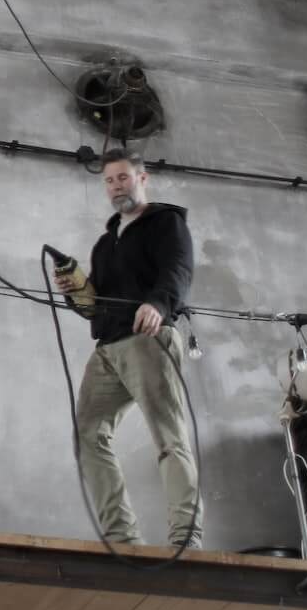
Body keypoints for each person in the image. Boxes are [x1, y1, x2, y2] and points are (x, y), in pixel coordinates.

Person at [56, 149, 201, 550]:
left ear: (142, 178)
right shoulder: (105, 244)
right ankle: (122, 538)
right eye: (109, 181)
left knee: (168, 437)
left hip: (148, 339)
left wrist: (158, 304)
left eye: (123, 177)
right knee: (88, 434)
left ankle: (186, 538)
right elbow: (94, 307)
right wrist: (75, 292)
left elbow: (178, 269)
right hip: (109, 347)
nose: (116, 186)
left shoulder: (166, 223)